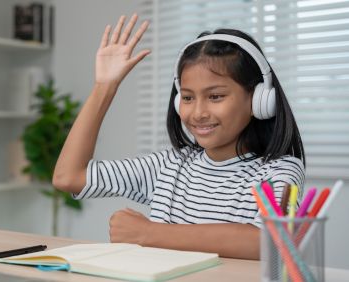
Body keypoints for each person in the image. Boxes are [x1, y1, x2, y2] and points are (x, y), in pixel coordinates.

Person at [52, 14, 305, 260]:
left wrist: (149, 233)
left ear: (259, 99)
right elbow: (69, 177)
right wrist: (104, 87)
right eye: (187, 97)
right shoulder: (169, 166)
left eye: (215, 96)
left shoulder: (279, 171)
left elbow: (271, 241)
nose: (198, 113)